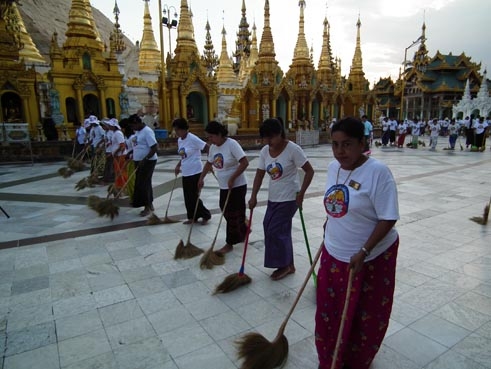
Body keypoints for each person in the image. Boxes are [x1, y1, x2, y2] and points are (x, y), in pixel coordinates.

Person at [315, 116, 399, 369]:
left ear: (363, 142)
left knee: (365, 315)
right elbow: (337, 203)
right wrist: (329, 225)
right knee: (329, 312)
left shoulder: (378, 173)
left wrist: (364, 250)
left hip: (370, 258)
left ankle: (357, 360)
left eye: (347, 144)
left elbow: (388, 218)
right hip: (334, 251)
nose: (340, 151)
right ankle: (330, 358)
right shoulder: (334, 168)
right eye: (335, 145)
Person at [248, 118, 314, 281]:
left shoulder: (293, 149)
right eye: (265, 138)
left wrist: (302, 194)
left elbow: (309, 171)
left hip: (290, 198)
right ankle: (288, 264)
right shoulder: (265, 151)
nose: (267, 141)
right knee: (269, 226)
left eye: (271, 137)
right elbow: (259, 174)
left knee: (276, 230)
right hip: (274, 197)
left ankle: (285, 265)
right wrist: (253, 196)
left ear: (280, 134)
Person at [198, 121, 249, 254]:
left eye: (211, 136)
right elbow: (209, 163)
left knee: (232, 213)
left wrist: (233, 177)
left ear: (220, 134)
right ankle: (243, 228)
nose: (209, 140)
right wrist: (201, 178)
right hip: (224, 186)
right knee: (226, 210)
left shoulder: (231, 144)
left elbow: (244, 162)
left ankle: (230, 243)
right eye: (208, 137)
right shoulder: (213, 147)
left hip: (237, 186)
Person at [173, 118, 211, 225]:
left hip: (195, 170)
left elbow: (207, 147)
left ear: (184, 129)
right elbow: (183, 155)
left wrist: (210, 161)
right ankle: (192, 217)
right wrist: (178, 165)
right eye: (175, 130)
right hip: (186, 171)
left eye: (177, 130)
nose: (176, 132)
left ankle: (205, 215)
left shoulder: (193, 138)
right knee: (187, 196)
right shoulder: (180, 140)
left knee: (194, 196)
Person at [129, 114, 158, 216]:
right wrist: (130, 153)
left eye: (133, 126)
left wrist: (145, 159)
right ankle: (149, 204)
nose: (132, 128)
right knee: (141, 182)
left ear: (137, 123)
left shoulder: (147, 131)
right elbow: (137, 146)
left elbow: (154, 147)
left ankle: (147, 206)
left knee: (144, 183)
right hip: (138, 160)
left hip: (148, 161)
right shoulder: (138, 132)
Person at [107, 118, 128, 194]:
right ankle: (119, 187)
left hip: (120, 156)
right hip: (116, 155)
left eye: (110, 125)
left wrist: (115, 152)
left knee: (121, 171)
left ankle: (124, 187)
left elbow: (122, 145)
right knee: (118, 172)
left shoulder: (118, 133)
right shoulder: (114, 133)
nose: (108, 126)